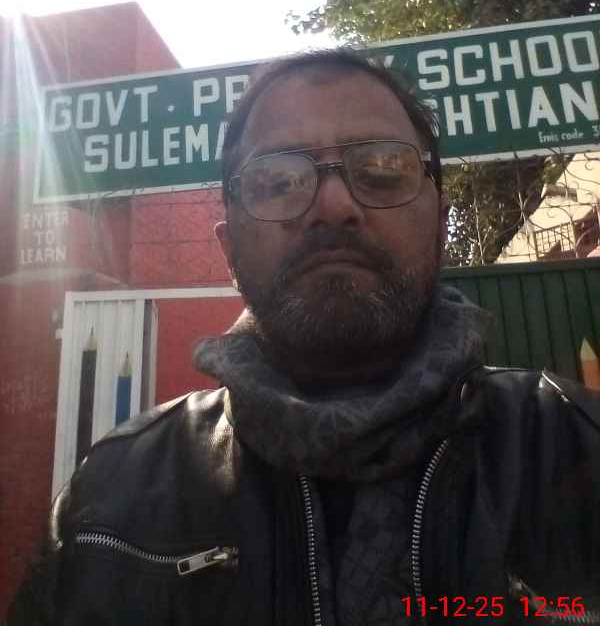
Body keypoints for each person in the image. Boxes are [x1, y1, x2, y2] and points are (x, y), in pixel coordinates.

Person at [8, 50, 600, 625]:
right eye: (278, 180)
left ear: (441, 225)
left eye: (382, 169)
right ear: (229, 252)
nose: (334, 206)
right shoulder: (106, 502)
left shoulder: (579, 445)